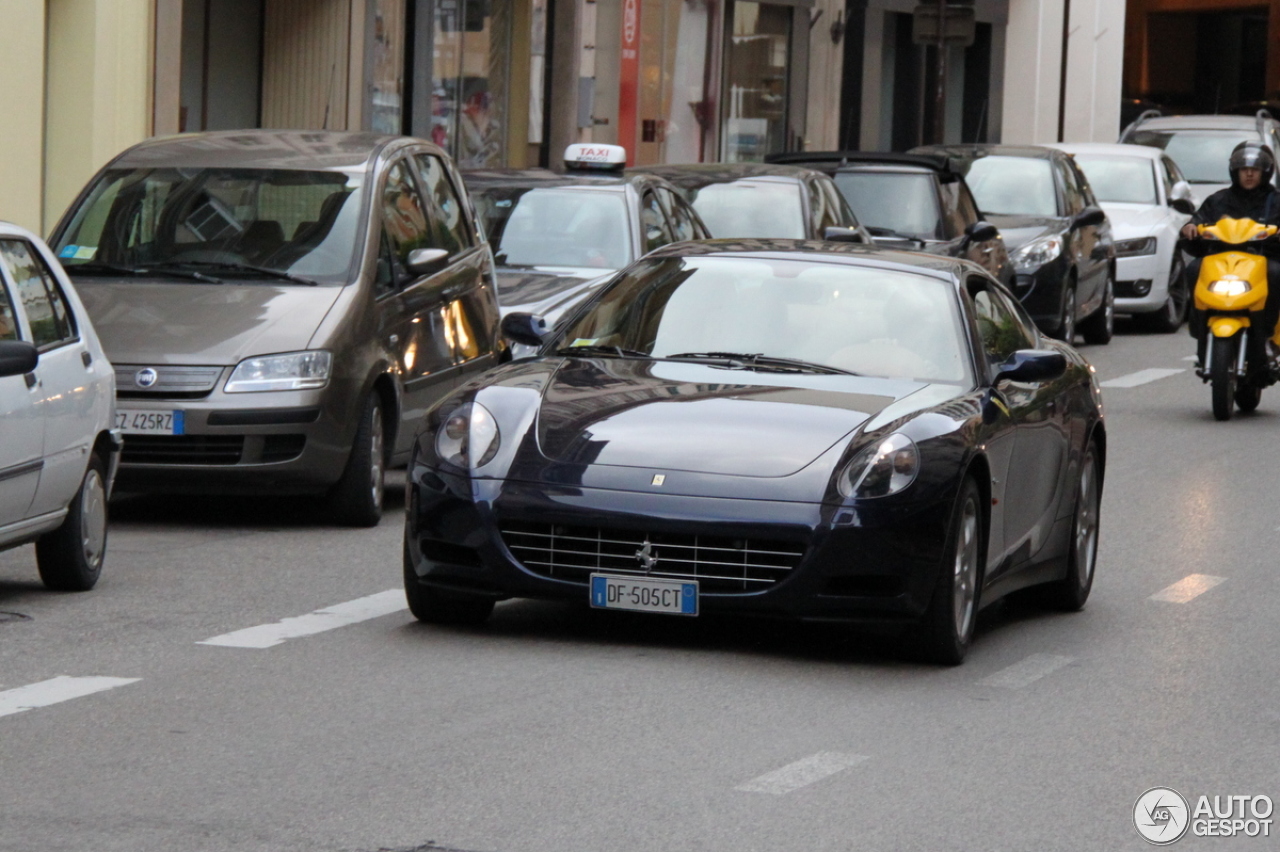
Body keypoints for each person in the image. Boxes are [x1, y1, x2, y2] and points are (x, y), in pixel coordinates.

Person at [1181, 141, 1280, 376]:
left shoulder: (1275, 200)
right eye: (1243, 169)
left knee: (1276, 273)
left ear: (1265, 172)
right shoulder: (1218, 200)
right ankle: (1200, 328)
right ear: (1234, 171)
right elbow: (1197, 219)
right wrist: (1190, 227)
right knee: (1194, 269)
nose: (1248, 173)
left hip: (1262, 259)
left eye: (1254, 169)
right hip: (1221, 261)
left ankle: (1268, 337)